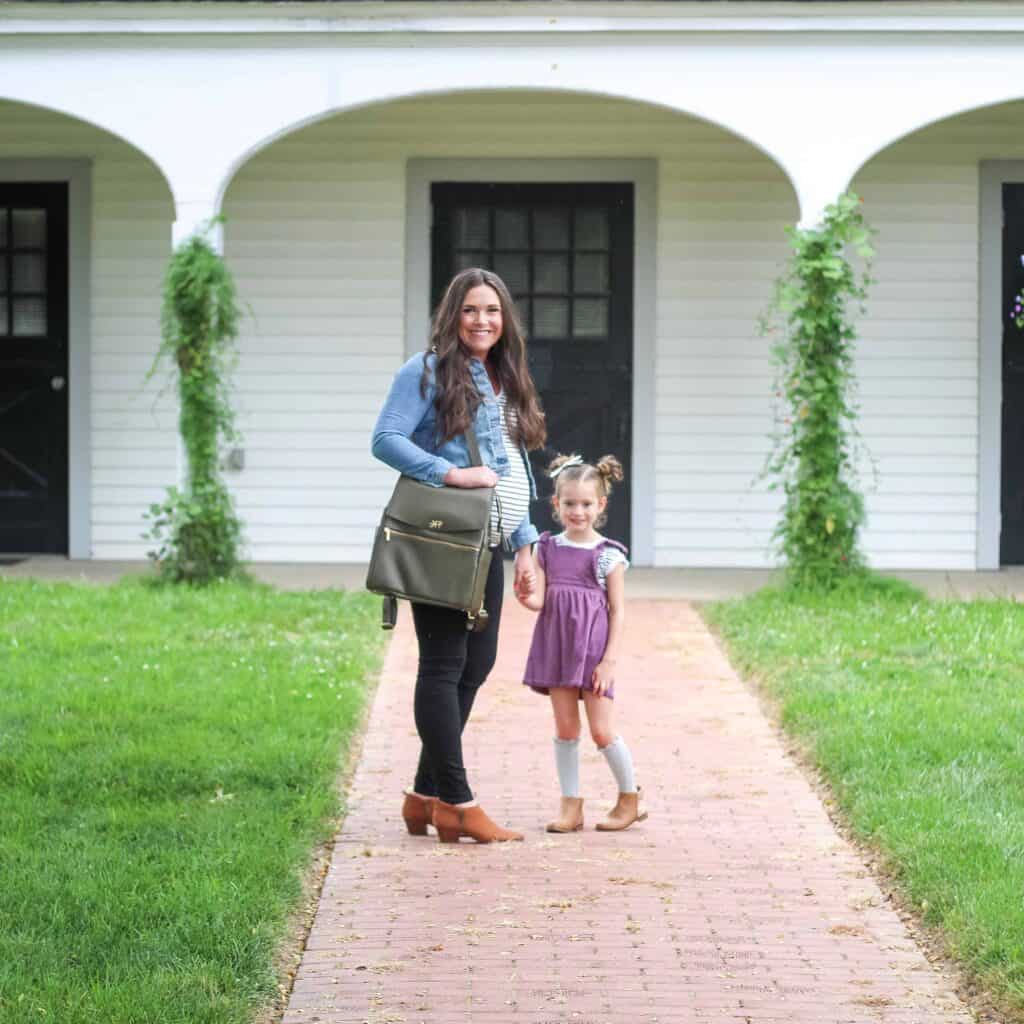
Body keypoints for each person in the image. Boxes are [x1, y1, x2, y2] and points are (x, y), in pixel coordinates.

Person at [371, 267, 546, 844]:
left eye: (492, 311)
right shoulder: (424, 371)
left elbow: (509, 464)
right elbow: (386, 439)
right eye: (471, 310)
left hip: (491, 541)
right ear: (452, 315)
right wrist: (447, 472)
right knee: (444, 665)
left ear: (505, 319)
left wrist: (524, 544)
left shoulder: (503, 374)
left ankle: (425, 796)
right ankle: (458, 800)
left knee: (477, 664)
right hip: (448, 540)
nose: (482, 321)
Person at [516, 453, 647, 833]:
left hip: (592, 652)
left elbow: (618, 612)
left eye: (586, 504)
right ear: (556, 504)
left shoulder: (608, 555)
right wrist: (527, 597)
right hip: (556, 648)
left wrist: (608, 662)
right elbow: (543, 599)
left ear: (601, 505)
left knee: (602, 731)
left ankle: (629, 799)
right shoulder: (547, 548)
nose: (578, 511)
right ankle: (571, 807)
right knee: (566, 730)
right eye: (570, 503)